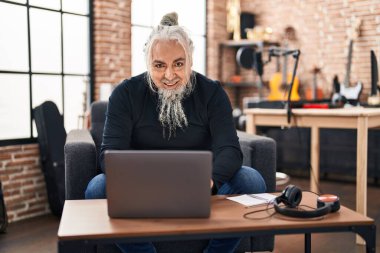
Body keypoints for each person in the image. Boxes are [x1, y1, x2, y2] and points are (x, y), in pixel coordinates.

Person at [85, 12, 267, 253]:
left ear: (190, 61)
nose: (169, 75)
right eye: (159, 66)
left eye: (179, 64)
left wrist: (209, 181)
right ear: (148, 63)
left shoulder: (212, 93)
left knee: (252, 180)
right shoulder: (125, 93)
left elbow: (230, 150)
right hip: (141, 189)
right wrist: (141, 184)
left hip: (204, 188)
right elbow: (110, 152)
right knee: (97, 188)